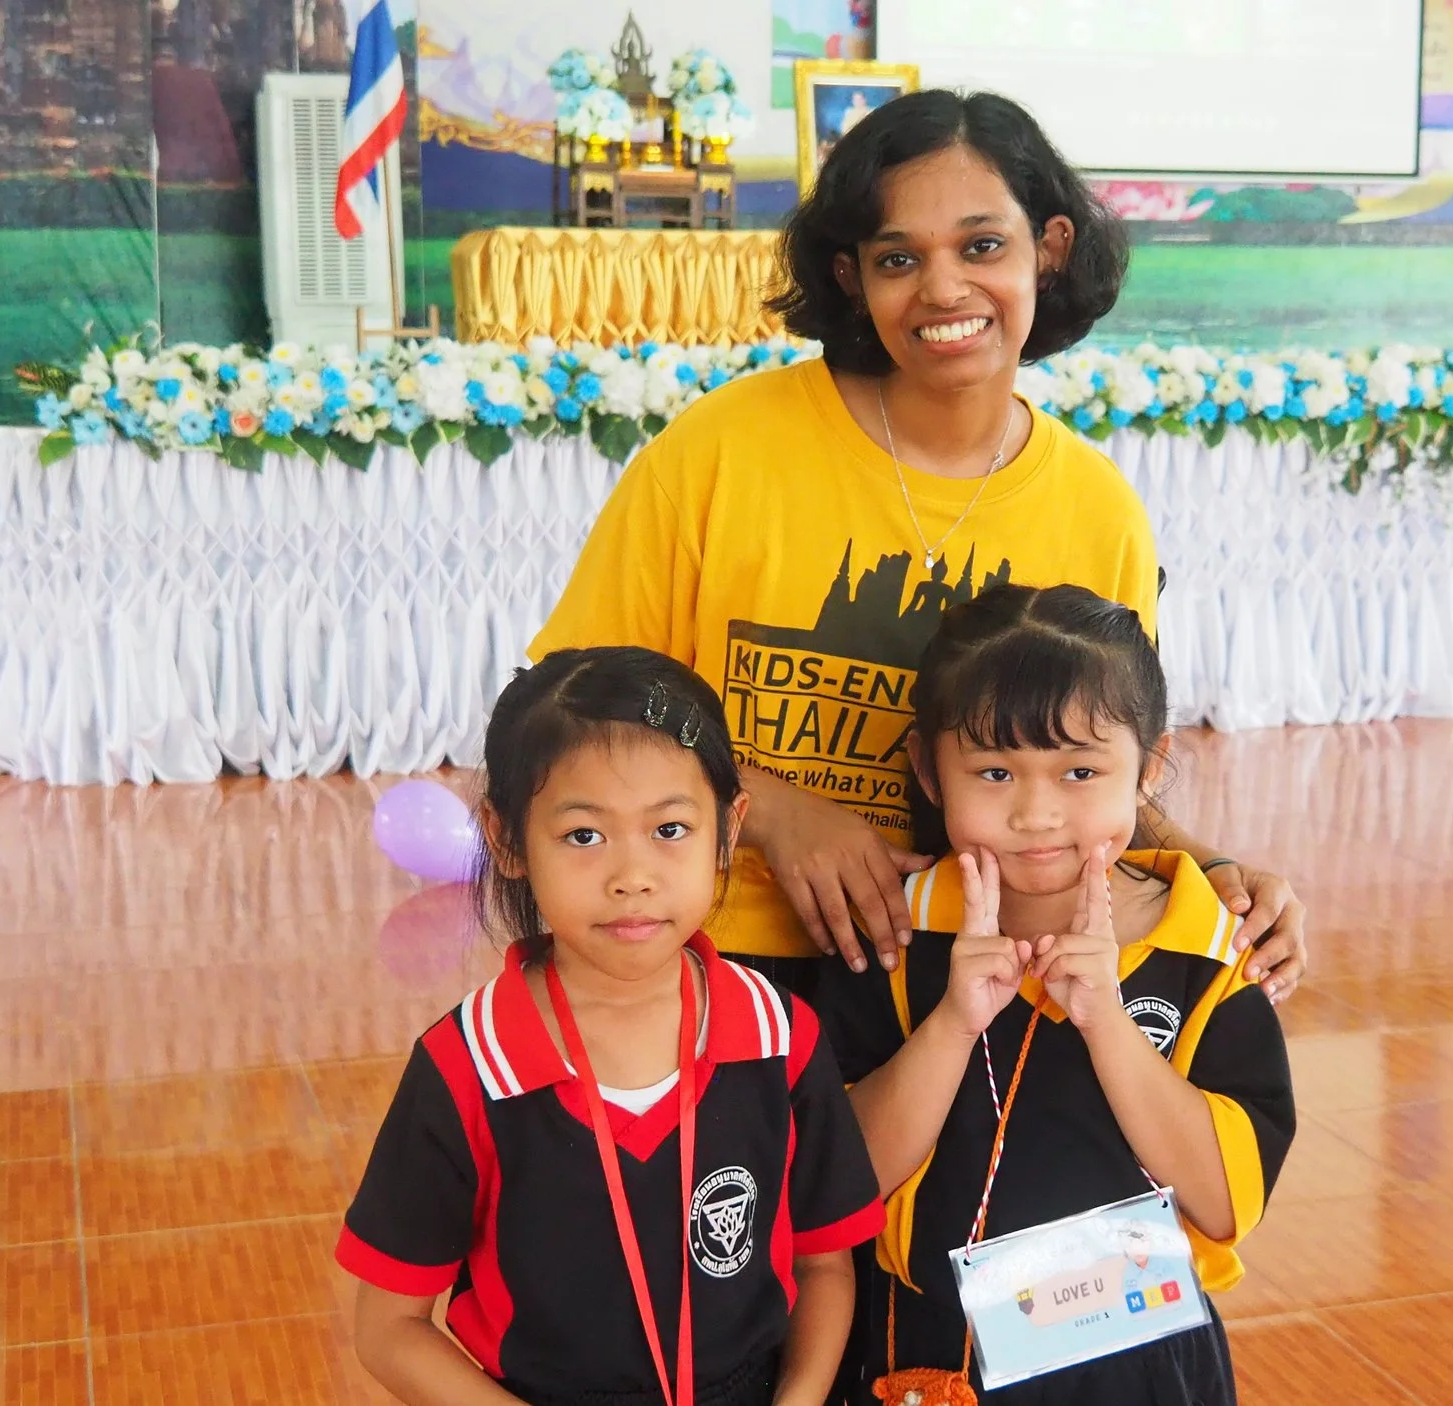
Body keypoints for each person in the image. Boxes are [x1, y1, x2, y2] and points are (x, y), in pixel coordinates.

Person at [530, 89, 1307, 1005]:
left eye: (983, 246)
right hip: (709, 958)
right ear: (852, 276)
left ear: (1049, 249)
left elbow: (1087, 766)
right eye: (899, 257)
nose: (944, 290)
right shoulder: (721, 449)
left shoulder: (1097, 511)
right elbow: (567, 707)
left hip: (966, 976)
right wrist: (771, 813)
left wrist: (1212, 868)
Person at [338, 648, 885, 1406]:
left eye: (669, 829)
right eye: (585, 836)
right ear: (505, 840)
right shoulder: (467, 1065)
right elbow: (389, 1327)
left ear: (729, 829)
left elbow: (826, 1262)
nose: (633, 876)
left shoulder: (779, 1036)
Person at [819, 584, 1295, 1404]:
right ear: (929, 771)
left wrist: (1109, 1022)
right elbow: (839, 1180)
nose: (1036, 813)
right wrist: (951, 1027)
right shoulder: (894, 938)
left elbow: (1224, 1205)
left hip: (1141, 1361)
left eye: (1081, 770)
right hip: (931, 1359)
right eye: (995, 771)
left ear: (1148, 769)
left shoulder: (1213, 948)